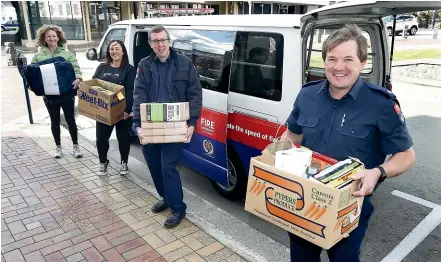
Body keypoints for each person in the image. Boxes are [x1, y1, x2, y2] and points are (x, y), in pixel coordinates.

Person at [283, 24, 415, 262]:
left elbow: (406, 155)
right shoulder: (307, 95)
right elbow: (292, 136)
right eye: (332, 58)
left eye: (348, 59)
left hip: (349, 207)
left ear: (362, 63)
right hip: (303, 201)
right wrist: (278, 156)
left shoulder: (381, 104)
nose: (338, 67)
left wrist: (378, 172)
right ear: (324, 61)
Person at [132, 25, 202, 228]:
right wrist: (138, 125)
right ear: (150, 44)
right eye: (155, 41)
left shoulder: (184, 63)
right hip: (151, 125)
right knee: (153, 165)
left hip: (175, 126)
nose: (160, 44)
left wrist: (192, 123)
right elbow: (139, 95)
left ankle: (178, 208)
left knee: (168, 166)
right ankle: (166, 197)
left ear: (169, 41)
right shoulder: (144, 65)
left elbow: (194, 94)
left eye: (163, 40)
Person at [84, 40, 136, 176]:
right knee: (101, 139)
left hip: (121, 112)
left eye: (117, 48)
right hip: (103, 111)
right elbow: (92, 86)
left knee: (123, 138)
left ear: (123, 51)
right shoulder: (102, 67)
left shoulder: (129, 69)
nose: (114, 51)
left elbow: (130, 91)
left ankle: (124, 162)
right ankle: (103, 162)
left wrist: (127, 110)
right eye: (111, 49)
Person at [31, 24, 83, 159]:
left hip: (67, 93)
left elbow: (76, 69)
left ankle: (75, 146)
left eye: (54, 36)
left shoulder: (68, 54)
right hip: (49, 95)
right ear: (44, 38)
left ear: (59, 38)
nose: (52, 38)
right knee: (54, 121)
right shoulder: (37, 56)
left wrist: (78, 78)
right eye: (48, 36)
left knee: (70, 119)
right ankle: (58, 147)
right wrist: (32, 85)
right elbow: (32, 74)